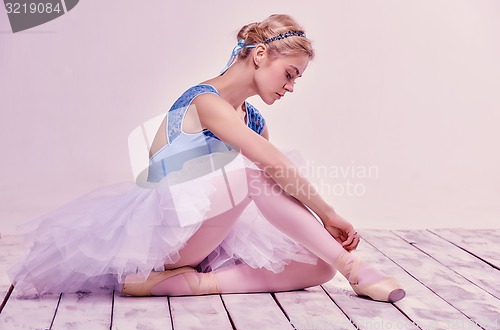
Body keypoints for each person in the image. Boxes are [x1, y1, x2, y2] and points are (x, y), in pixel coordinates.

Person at [10, 14, 405, 303]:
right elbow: (270, 166)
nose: (291, 86)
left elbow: (279, 184)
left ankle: (192, 284)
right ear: (260, 54)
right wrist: (329, 213)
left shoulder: (253, 118)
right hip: (165, 236)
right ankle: (358, 271)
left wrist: (319, 226)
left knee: (320, 266)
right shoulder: (205, 100)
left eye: (296, 79)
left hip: (206, 237)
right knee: (257, 170)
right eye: (289, 74)